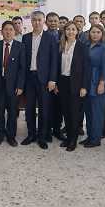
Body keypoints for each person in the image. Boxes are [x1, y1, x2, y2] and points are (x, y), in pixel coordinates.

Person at [21, 11, 58, 149]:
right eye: (34, 20)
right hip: (29, 78)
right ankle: (31, 134)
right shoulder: (25, 38)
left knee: (44, 109)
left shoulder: (50, 38)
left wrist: (52, 80)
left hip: (45, 79)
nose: (37, 22)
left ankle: (41, 136)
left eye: (39, 20)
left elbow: (54, 60)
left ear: (44, 22)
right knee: (29, 108)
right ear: (31, 22)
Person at [54, 21, 88, 151]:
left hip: (76, 83)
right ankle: (68, 137)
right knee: (66, 111)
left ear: (77, 31)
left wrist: (83, 86)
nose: (70, 32)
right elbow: (56, 66)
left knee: (74, 112)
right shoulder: (59, 45)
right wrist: (56, 83)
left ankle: (73, 139)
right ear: (64, 31)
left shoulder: (81, 46)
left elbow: (85, 68)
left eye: (73, 29)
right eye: (68, 29)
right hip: (62, 82)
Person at [0, 21, 25, 147]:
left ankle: (11, 136)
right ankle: (0, 135)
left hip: (14, 84)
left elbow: (22, 68)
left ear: (14, 31)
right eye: (6, 29)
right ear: (1, 31)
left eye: (11, 29)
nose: (8, 32)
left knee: (12, 112)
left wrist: (20, 85)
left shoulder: (20, 47)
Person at [80, 25, 105, 148]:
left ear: (102, 34)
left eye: (98, 32)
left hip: (98, 81)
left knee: (97, 112)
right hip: (86, 80)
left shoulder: (104, 48)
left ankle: (96, 139)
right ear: (89, 33)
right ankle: (89, 136)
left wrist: (102, 84)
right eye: (93, 32)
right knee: (88, 111)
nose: (95, 34)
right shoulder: (86, 45)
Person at [45, 12, 64, 142]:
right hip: (46, 77)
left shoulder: (65, 35)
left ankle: (57, 129)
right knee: (47, 105)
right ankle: (47, 130)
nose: (53, 23)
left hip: (61, 77)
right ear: (46, 22)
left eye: (55, 21)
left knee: (59, 106)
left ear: (58, 22)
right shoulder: (42, 36)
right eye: (50, 21)